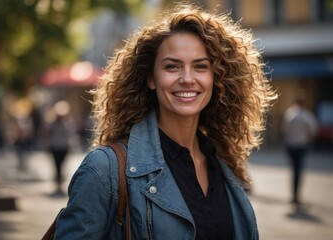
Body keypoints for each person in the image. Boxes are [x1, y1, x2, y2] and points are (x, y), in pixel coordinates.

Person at [52, 3, 276, 239]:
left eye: (200, 66)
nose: (188, 79)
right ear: (151, 78)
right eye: (172, 66)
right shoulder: (103, 169)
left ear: (216, 77)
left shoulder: (224, 166)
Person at [281, 95, 318, 205]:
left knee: (294, 170)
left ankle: (294, 195)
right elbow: (313, 130)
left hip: (290, 145)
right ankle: (296, 196)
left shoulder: (289, 113)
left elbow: (284, 130)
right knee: (298, 171)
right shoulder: (307, 115)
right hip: (301, 146)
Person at [46, 101, 74, 196]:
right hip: (55, 147)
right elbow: (47, 135)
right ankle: (58, 183)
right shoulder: (52, 124)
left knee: (61, 166)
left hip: (63, 147)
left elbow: (71, 133)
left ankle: (60, 183)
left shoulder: (67, 123)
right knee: (57, 166)